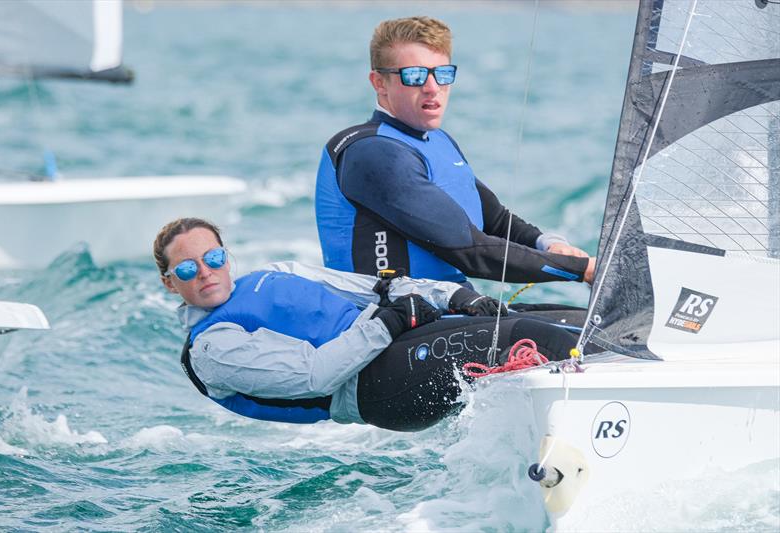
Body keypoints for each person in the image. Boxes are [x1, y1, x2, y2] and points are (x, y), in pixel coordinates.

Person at [156, 217, 579, 432]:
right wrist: (388, 324)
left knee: (560, 317)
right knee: (529, 338)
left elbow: (378, 288)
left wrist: (456, 297)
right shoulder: (211, 349)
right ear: (170, 283)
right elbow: (315, 375)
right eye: (188, 269)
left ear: (225, 257)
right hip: (372, 389)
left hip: (396, 340)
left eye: (212, 259)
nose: (206, 272)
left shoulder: (276, 272)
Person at [315, 16, 595, 288]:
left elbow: (495, 220)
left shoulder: (438, 141)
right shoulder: (373, 153)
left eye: (442, 74)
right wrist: (580, 270)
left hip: (448, 309)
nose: (432, 88)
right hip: (389, 321)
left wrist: (549, 244)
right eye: (415, 76)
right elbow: (469, 250)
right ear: (379, 83)